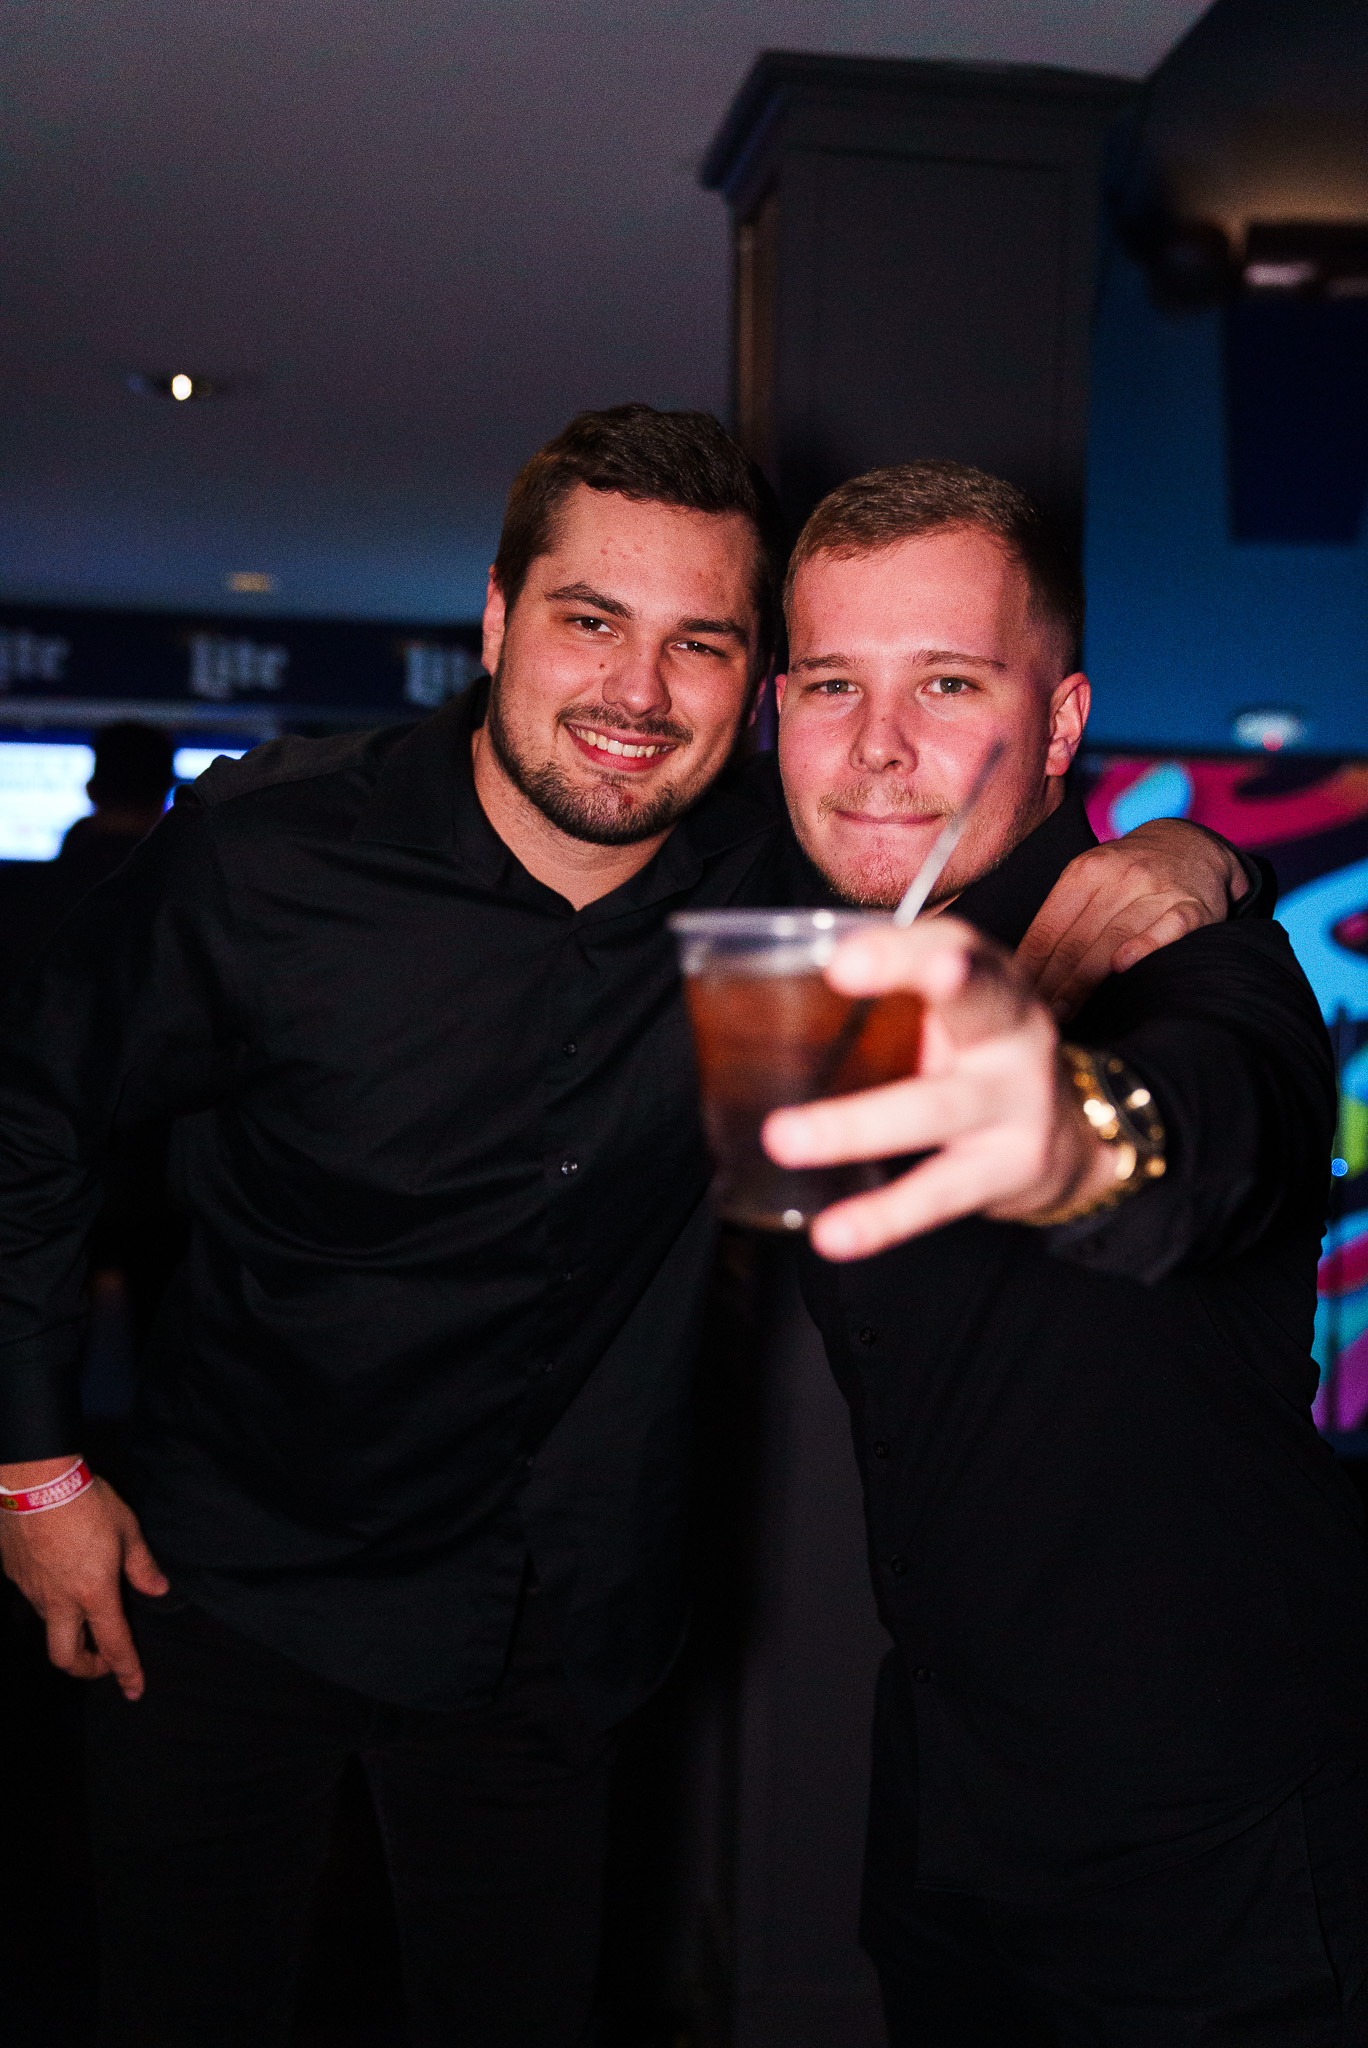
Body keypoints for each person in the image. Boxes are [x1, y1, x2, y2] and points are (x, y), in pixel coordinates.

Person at [0, 408, 1254, 2048]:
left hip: (558, 1627)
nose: (638, 693)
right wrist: (33, 1467)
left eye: (702, 645)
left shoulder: (782, 883)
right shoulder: (267, 855)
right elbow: (28, 1113)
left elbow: (1017, 888)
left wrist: (1186, 850)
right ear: (499, 621)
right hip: (229, 1583)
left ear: (751, 686)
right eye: (592, 620)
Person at [755, 461, 1368, 2043]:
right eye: (833, 684)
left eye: (948, 684)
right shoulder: (811, 973)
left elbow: (1211, 1136)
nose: (878, 746)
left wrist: (1077, 1140)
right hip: (949, 1828)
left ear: (1061, 722)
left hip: (1216, 1865)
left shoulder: (1193, 959)